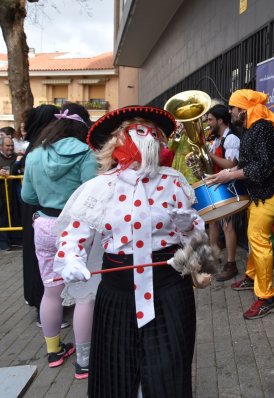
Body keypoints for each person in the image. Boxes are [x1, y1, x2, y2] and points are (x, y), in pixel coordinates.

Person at [55, 105, 211, 397]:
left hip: (170, 289)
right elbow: (73, 235)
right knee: (116, 374)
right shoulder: (99, 187)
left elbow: (199, 247)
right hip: (118, 294)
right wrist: (70, 260)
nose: (149, 135)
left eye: (153, 131)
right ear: (118, 138)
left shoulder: (174, 182)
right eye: (139, 129)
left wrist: (190, 227)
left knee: (169, 369)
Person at [20, 102, 98, 378]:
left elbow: (27, 197)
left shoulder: (34, 155)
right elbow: (93, 197)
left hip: (43, 225)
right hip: (77, 229)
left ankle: (53, 351)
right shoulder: (86, 154)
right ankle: (84, 361)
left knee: (51, 290)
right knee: (85, 295)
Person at [206, 89, 274, 319]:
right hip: (258, 193)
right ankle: (252, 276)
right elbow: (245, 163)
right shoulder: (252, 128)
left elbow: (262, 168)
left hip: (269, 193)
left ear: (243, 110)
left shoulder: (263, 128)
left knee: (259, 240)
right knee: (255, 237)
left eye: (233, 108)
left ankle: (266, 297)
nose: (230, 111)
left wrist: (228, 176)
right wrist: (225, 173)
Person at [20, 104, 60, 316]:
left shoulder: (33, 147)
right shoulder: (41, 148)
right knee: (43, 261)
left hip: (33, 208)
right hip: (42, 209)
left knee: (37, 257)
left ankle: (40, 301)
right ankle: (43, 304)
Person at [205, 104, 242, 281]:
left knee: (228, 226)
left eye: (210, 119)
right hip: (218, 184)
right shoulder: (218, 139)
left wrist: (208, 155)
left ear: (220, 120)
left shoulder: (231, 139)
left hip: (229, 187)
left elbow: (231, 164)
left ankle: (231, 264)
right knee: (212, 221)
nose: (208, 122)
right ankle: (213, 258)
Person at [0, 136, 17, 251]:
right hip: (1, 193)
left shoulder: (17, 157)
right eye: (7, 146)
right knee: (3, 217)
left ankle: (16, 240)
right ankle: (3, 243)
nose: (10, 148)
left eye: (12, 145)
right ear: (1, 146)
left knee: (14, 215)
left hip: (14, 192)